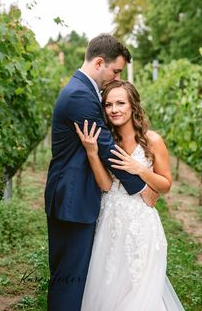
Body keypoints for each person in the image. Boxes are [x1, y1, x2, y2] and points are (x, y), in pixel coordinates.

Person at [44, 34, 159, 311]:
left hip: (75, 195)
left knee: (72, 273)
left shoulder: (81, 89)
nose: (116, 77)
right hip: (73, 199)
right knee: (69, 278)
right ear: (99, 62)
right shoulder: (81, 95)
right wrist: (142, 187)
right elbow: (107, 147)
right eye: (115, 70)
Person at [75, 81, 185, 311]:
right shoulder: (108, 141)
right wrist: (93, 153)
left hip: (141, 225)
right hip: (110, 222)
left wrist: (140, 169)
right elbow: (106, 185)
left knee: (138, 292)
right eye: (108, 104)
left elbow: (165, 185)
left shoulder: (152, 140)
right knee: (108, 285)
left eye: (120, 103)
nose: (114, 109)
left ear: (133, 105)